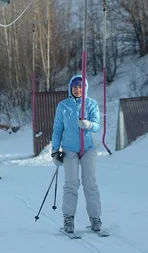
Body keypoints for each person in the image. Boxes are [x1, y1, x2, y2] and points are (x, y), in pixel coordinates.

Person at [51, 75, 103, 234]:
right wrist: (55, 150)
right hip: (69, 148)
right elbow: (57, 129)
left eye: (80, 87)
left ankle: (95, 218)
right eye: (75, 87)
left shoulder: (91, 104)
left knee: (90, 183)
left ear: (85, 88)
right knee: (71, 183)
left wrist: (88, 124)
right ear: (70, 88)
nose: (78, 90)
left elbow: (96, 125)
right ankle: (68, 219)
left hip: (88, 147)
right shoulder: (63, 106)